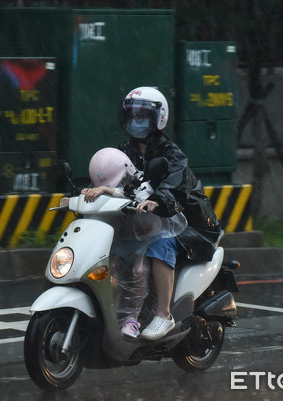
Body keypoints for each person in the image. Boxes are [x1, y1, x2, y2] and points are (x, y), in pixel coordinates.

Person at [117, 86, 222, 340]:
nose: (136, 120)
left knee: (160, 246)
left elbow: (173, 185)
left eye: (143, 115)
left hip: (192, 227)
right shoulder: (125, 151)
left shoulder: (173, 156)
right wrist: (91, 192)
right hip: (155, 223)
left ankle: (163, 315)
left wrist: (157, 200)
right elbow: (112, 176)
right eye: (131, 115)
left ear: (159, 118)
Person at [82, 147, 187, 339]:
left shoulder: (142, 183)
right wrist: (76, 199)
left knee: (139, 270)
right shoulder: (105, 187)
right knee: (109, 266)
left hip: (152, 238)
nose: (120, 184)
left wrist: (108, 189)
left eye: (121, 180)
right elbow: (97, 200)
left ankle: (132, 319)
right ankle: (109, 314)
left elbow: (136, 194)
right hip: (126, 239)